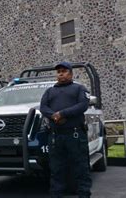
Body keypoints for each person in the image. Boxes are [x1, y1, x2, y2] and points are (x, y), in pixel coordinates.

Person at [40, 61, 92, 198]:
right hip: (56, 137)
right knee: (57, 169)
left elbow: (83, 105)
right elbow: (43, 107)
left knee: (81, 168)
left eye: (64, 71)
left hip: (75, 135)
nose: (61, 73)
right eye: (59, 71)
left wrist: (62, 114)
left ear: (71, 73)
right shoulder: (49, 91)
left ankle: (84, 194)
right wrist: (53, 116)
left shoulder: (79, 88)